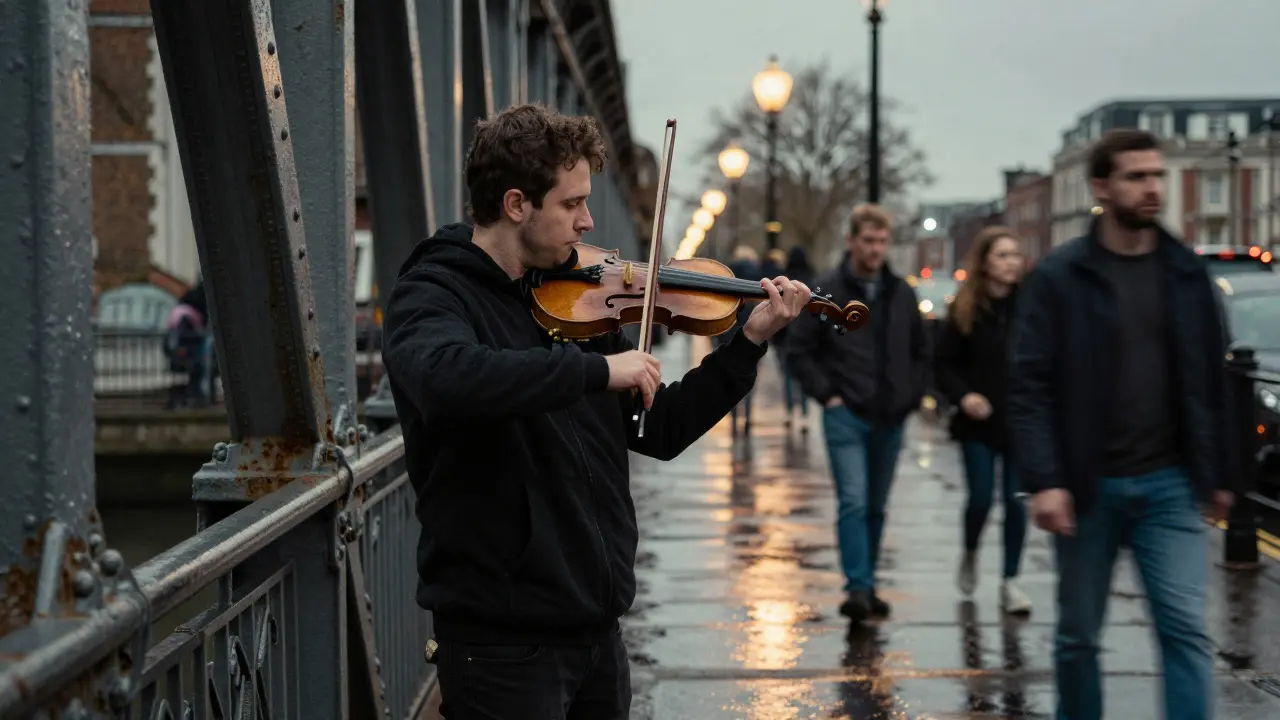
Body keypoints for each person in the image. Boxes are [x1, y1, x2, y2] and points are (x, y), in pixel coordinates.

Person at [380, 103, 811, 720]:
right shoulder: (433, 292)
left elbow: (657, 429)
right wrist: (597, 371)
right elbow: (446, 378)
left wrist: (748, 344)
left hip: (597, 631)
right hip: (502, 644)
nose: (587, 221)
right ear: (516, 204)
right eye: (572, 204)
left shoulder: (577, 297)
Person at [1006, 128, 1234, 720]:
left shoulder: (1186, 273)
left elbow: (1213, 380)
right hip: (1088, 488)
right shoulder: (1061, 277)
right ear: (1102, 187)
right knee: (1078, 637)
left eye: (1157, 175)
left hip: (1170, 485)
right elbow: (1029, 384)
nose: (1153, 188)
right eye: (1137, 177)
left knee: (1185, 630)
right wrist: (1046, 481)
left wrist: (1220, 471)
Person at [787, 203, 929, 622]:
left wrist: (911, 396)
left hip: (891, 415)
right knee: (853, 500)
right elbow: (800, 350)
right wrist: (828, 396)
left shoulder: (901, 292)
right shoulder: (827, 290)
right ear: (851, 240)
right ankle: (857, 588)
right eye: (868, 240)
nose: (875, 249)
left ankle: (868, 584)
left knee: (876, 506)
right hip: (846, 413)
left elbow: (922, 351)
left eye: (882, 241)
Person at [933, 226, 1032, 615]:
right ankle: (971, 551)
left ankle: (1011, 581)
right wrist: (964, 396)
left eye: (1015, 255)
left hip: (1019, 420)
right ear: (985, 262)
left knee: (1016, 502)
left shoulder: (1031, 306)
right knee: (980, 498)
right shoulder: (966, 308)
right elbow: (943, 364)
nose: (1011, 263)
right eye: (1002, 255)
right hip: (978, 422)